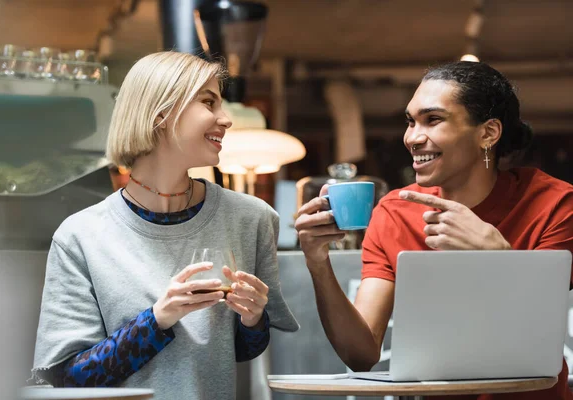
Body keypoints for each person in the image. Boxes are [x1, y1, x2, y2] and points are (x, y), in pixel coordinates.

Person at [295, 61, 573, 400]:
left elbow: (539, 331)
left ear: (488, 133)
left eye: (433, 120)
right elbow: (361, 354)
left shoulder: (555, 204)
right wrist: (317, 262)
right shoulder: (395, 213)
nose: (412, 137)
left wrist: (498, 256)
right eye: (411, 122)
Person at [32, 51, 298, 400]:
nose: (226, 118)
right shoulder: (80, 236)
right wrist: (157, 319)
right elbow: (69, 378)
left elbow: (241, 351)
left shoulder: (252, 219)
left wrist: (253, 320)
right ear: (160, 113)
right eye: (209, 101)